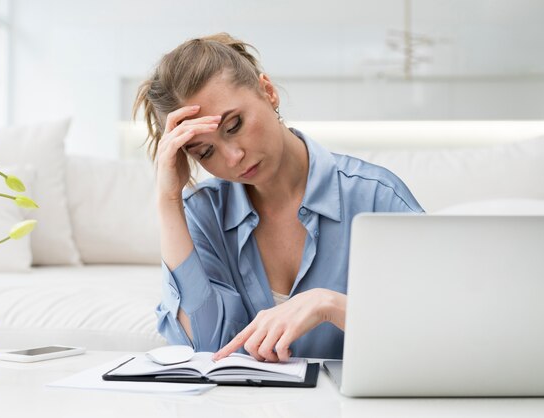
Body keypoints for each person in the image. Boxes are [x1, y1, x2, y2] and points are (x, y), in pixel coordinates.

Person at [133, 33, 423, 362]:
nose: (233, 157)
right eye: (206, 151)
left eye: (234, 125)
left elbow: (438, 325)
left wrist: (332, 306)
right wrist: (168, 201)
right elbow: (204, 346)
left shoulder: (375, 196)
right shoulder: (205, 214)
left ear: (268, 92)